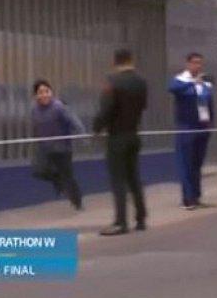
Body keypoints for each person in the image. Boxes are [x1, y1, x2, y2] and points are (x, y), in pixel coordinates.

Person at [93, 49, 149, 236]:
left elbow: (106, 109)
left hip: (117, 136)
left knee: (118, 180)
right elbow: (143, 106)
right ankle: (141, 218)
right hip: (134, 134)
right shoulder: (141, 82)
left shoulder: (113, 82)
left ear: (116, 62)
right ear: (131, 60)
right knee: (134, 177)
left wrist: (97, 128)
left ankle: (121, 222)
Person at [169, 52, 214, 210]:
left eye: (200, 63)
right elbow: (173, 88)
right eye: (195, 63)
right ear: (188, 64)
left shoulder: (205, 85)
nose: (198, 66)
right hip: (187, 127)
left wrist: (210, 125)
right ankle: (187, 198)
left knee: (197, 164)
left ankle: (196, 195)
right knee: (185, 163)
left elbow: (210, 105)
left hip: (203, 127)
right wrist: (193, 82)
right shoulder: (181, 80)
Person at [31, 79, 85, 210]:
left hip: (62, 149)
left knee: (68, 177)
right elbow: (36, 127)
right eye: (40, 92)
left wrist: (82, 135)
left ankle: (77, 202)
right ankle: (57, 180)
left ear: (51, 92)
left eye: (46, 91)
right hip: (45, 148)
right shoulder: (34, 110)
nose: (44, 95)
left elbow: (74, 121)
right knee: (39, 171)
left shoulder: (59, 107)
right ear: (36, 95)